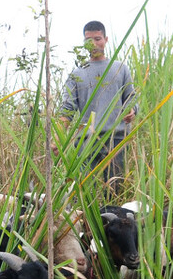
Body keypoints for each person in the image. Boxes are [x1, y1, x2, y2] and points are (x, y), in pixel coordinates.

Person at [60, 20, 139, 190]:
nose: (94, 44)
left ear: (106, 39)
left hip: (115, 139)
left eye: (98, 39)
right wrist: (57, 138)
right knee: (84, 192)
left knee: (115, 190)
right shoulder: (77, 74)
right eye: (89, 40)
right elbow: (67, 110)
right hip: (86, 142)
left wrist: (132, 111)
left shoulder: (120, 68)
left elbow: (131, 98)